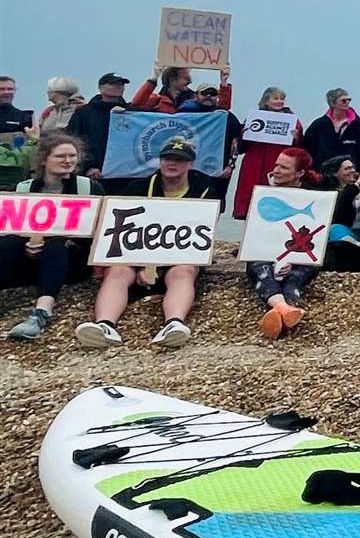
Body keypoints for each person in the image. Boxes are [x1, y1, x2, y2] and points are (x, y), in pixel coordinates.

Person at [74, 136, 211, 349]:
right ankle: (105, 325)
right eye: (166, 158)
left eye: (179, 159)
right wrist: (143, 264)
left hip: (179, 256)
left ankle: (174, 323)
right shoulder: (138, 187)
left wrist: (156, 265)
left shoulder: (205, 191)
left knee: (184, 271)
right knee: (118, 270)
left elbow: (200, 237)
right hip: (136, 255)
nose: (171, 164)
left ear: (190, 164)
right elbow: (119, 230)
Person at [3, 135, 101, 340]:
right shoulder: (25, 188)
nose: (68, 160)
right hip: (30, 256)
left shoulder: (88, 188)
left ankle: (41, 313)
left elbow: (99, 231)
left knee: (56, 243)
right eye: (61, 156)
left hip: (71, 258)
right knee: (7, 243)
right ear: (43, 160)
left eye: (72, 156)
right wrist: (30, 242)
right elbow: (12, 225)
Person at [247, 148, 319, 340]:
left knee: (295, 277)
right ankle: (284, 309)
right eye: (276, 165)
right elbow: (256, 232)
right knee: (261, 270)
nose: (276, 170)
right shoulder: (263, 194)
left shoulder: (313, 198)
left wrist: (291, 259)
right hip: (266, 253)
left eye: (283, 167)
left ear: (300, 173)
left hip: (299, 254)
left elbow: (314, 237)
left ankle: (282, 312)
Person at [233, 87, 306, 220]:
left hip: (276, 164)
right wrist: (243, 135)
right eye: (276, 98)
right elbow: (241, 148)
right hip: (253, 165)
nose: (280, 101)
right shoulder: (254, 118)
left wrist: (297, 138)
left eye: (282, 99)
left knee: (275, 202)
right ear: (266, 101)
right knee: (249, 203)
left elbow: (299, 150)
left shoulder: (293, 121)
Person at [68, 73, 131, 178]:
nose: (118, 86)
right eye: (112, 83)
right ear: (101, 87)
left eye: (121, 84)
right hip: (93, 174)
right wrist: (87, 167)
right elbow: (74, 140)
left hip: (124, 175)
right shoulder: (83, 113)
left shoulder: (130, 112)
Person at [302, 88, 360, 171]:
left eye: (349, 100)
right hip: (323, 172)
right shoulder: (318, 125)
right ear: (332, 103)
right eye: (343, 100)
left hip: (350, 172)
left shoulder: (357, 124)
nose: (347, 103)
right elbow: (307, 147)